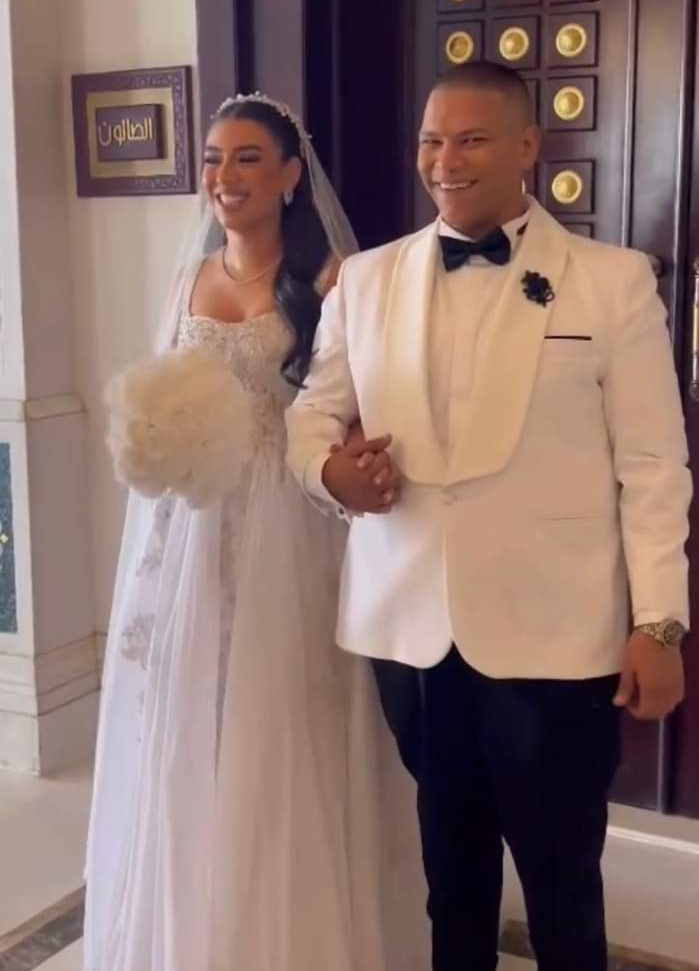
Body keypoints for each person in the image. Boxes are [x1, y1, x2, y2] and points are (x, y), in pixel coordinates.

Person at [286, 61, 691, 971]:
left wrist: (660, 621)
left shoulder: (613, 282)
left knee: (562, 883)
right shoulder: (366, 280)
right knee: (450, 871)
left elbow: (653, 466)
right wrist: (330, 472)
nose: (446, 160)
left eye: (470, 139)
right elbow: (312, 413)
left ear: (526, 146)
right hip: (409, 630)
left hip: (556, 634)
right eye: (432, 140)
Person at [83, 92, 426, 971]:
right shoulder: (191, 277)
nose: (223, 177)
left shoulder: (330, 280)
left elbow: (356, 406)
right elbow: (163, 387)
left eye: (245, 158)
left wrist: (349, 458)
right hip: (193, 528)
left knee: (280, 717)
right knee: (189, 711)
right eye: (211, 158)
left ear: (289, 175)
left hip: (293, 524)